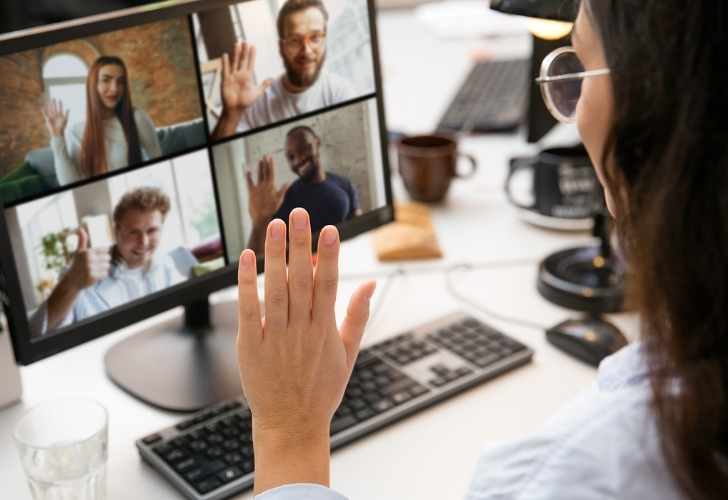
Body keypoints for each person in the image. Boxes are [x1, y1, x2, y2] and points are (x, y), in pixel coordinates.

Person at [234, 0, 728, 499]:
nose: (574, 112)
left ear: (651, 106)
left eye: (580, 62)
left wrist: (288, 433)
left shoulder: (569, 475)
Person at [29, 187, 195, 337]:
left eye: (152, 230)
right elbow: (37, 334)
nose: (143, 242)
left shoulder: (164, 264)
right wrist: (72, 283)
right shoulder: (78, 274)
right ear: (116, 232)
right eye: (133, 232)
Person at [211, 0, 357, 140]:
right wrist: (231, 113)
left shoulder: (340, 92)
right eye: (295, 40)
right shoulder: (256, 104)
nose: (306, 51)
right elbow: (218, 155)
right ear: (281, 48)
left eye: (315, 37)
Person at [41, 55, 162, 185]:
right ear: (93, 85)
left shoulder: (136, 117)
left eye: (120, 82)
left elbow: (156, 158)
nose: (115, 89)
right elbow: (70, 185)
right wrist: (57, 137)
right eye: (106, 80)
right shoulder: (75, 132)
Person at [244, 125, 360, 253]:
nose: (299, 160)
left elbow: (360, 229)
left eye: (304, 148)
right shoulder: (283, 200)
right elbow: (261, 260)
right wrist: (260, 222)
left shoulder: (345, 184)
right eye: (291, 157)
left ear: (318, 143)